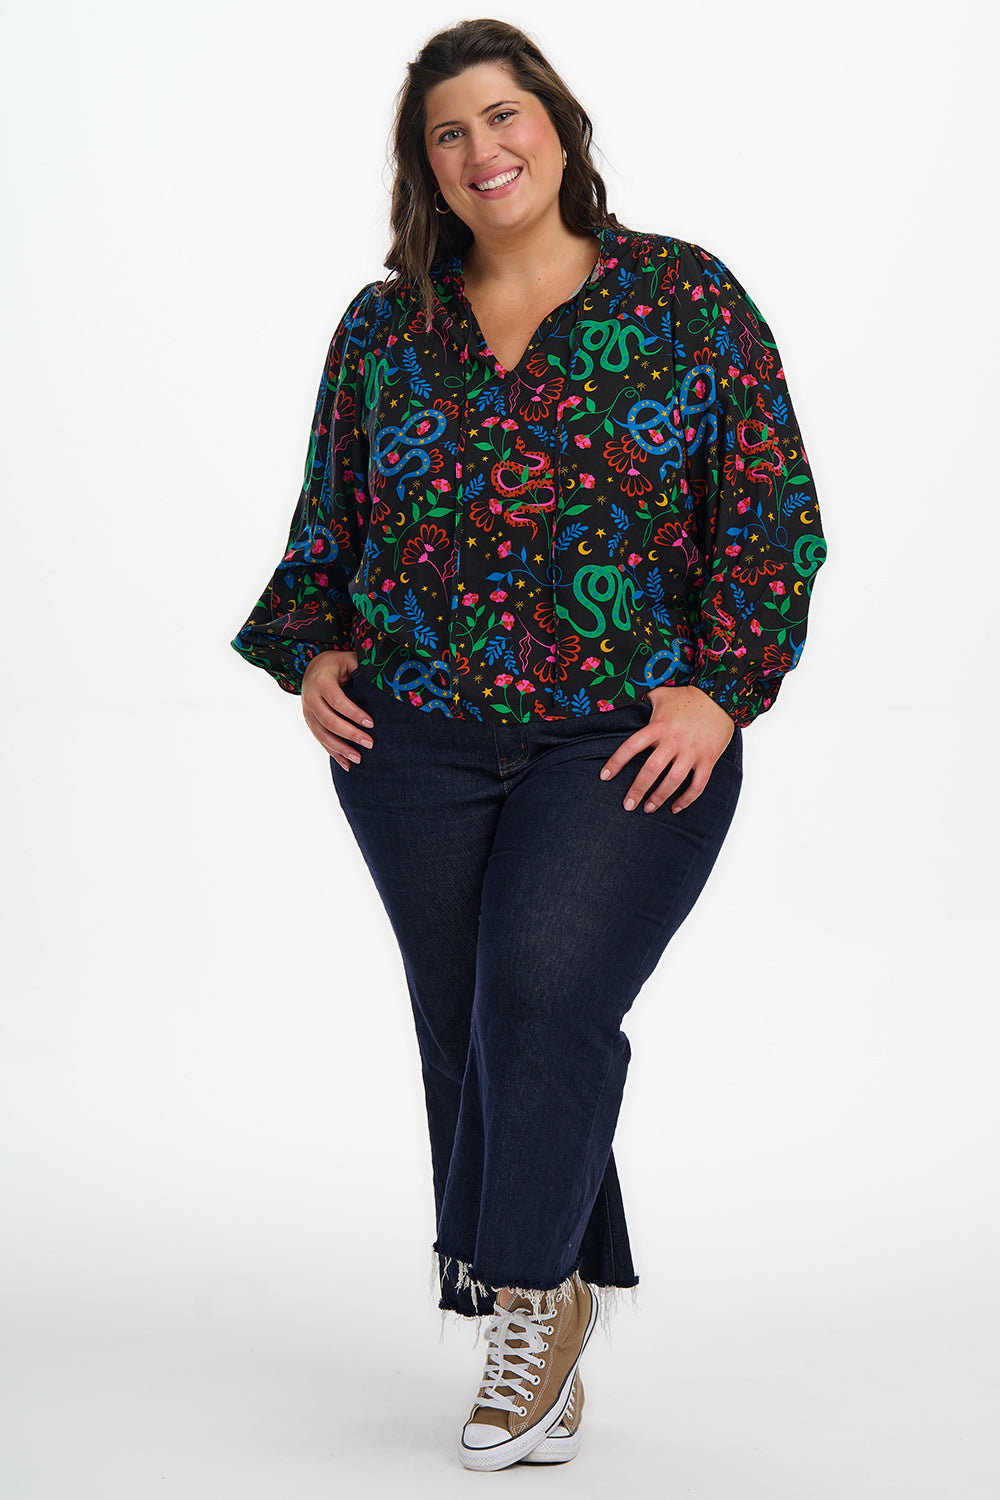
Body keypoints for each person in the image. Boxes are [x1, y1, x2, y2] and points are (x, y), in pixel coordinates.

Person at [231, 17, 826, 1472]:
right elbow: (330, 522)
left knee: (543, 997)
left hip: (625, 739)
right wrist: (315, 647)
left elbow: (771, 509)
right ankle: (540, 1299)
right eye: (449, 132)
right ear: (423, 166)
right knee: (477, 1024)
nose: (482, 150)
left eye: (504, 117)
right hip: (414, 741)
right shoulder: (385, 328)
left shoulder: (685, 301)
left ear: (555, 126)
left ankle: (526, 1309)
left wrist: (723, 687)